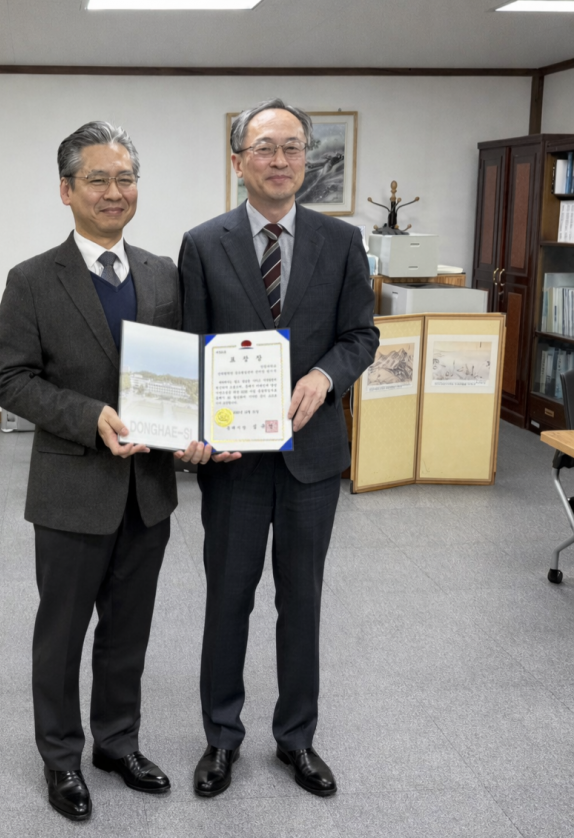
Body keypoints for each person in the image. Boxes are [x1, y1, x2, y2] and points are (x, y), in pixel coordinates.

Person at [0, 121, 212, 822]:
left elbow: (184, 369)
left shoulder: (161, 273)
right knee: (61, 634)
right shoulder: (30, 280)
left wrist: (198, 427)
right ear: (66, 190)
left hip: (147, 492)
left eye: (126, 179)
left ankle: (117, 743)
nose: (115, 193)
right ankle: (61, 759)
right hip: (70, 490)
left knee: (128, 630)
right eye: (98, 179)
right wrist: (88, 416)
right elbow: (10, 379)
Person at [178, 99, 379, 799]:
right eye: (264, 148)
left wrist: (325, 377)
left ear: (306, 160)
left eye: (292, 147)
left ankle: (296, 739)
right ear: (238, 162)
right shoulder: (203, 244)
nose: (279, 160)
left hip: (310, 459)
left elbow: (360, 336)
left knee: (303, 600)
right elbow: (193, 352)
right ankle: (221, 739)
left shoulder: (341, 242)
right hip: (233, 463)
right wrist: (196, 430)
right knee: (226, 600)